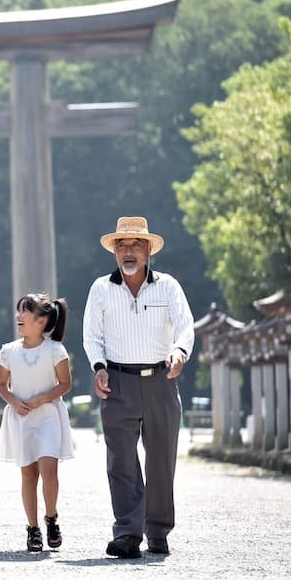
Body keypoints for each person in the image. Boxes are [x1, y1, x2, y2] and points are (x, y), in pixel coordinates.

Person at [82, 216, 194, 559]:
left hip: (162, 380)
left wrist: (179, 351)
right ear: (114, 252)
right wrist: (98, 367)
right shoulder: (101, 288)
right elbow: (91, 335)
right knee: (121, 461)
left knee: (161, 459)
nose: (128, 252)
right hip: (117, 382)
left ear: (148, 250)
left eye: (135, 245)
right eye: (122, 246)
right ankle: (127, 534)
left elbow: (185, 326)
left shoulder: (168, 286)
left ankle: (158, 531)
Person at [0, 293, 73, 552]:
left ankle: (51, 518)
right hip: (20, 418)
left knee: (49, 469)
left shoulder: (54, 350)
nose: (18, 316)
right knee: (28, 474)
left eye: (24, 312)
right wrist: (13, 401)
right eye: (18, 311)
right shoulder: (8, 350)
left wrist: (42, 399)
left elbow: (65, 384)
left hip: (48, 415)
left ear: (42, 320)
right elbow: (1, 384)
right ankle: (33, 528)